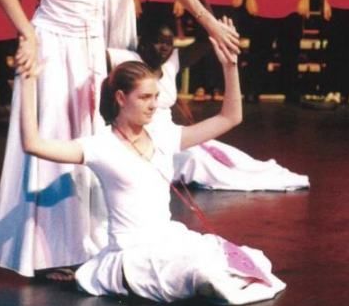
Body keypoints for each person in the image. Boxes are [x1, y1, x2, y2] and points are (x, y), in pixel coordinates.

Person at [0, 0, 240, 279]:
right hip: (51, 48)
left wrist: (211, 23)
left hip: (90, 50)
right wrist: (27, 35)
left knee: (92, 143)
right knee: (54, 143)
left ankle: (85, 244)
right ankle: (46, 254)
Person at [19, 41, 286, 304]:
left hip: (170, 239)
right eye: (145, 97)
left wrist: (230, 66)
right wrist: (28, 83)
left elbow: (230, 118)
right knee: (200, 274)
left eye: (156, 97)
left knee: (249, 261)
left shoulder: (163, 135)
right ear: (120, 98)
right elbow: (33, 144)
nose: (153, 105)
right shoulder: (100, 146)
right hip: (133, 254)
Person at [111, 19, 309, 191]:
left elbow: (205, 43)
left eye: (169, 43)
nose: (164, 48)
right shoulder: (127, 59)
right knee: (197, 161)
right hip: (147, 138)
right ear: (143, 43)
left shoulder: (170, 62)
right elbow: (95, 54)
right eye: (158, 42)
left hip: (173, 133)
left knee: (226, 154)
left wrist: (217, 29)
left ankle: (273, 177)